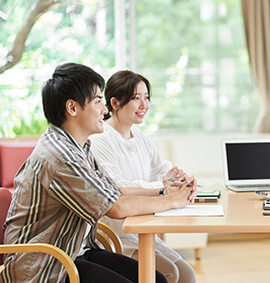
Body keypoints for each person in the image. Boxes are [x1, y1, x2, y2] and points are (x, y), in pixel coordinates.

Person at [1, 63, 196, 283]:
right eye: (97, 101)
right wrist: (171, 201)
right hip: (45, 266)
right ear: (72, 108)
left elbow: (115, 192)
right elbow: (116, 207)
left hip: (74, 252)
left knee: (157, 279)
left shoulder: (79, 147)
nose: (104, 110)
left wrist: (164, 192)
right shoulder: (60, 156)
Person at [89, 70, 196, 283]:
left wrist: (180, 180)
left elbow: (162, 168)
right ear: (115, 103)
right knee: (170, 274)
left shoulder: (139, 136)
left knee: (187, 275)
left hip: (145, 229)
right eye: (136, 98)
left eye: (146, 97)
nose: (144, 105)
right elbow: (120, 187)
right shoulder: (100, 139)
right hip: (118, 234)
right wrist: (164, 189)